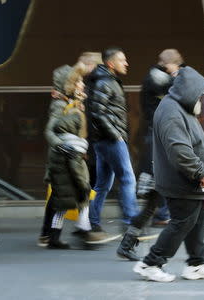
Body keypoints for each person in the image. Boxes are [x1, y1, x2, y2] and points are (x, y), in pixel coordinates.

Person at [133, 66, 204, 282]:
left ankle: (197, 263)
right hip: (184, 182)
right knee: (182, 223)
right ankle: (151, 263)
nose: (201, 99)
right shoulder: (171, 111)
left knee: (198, 221)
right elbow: (179, 149)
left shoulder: (182, 108)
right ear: (189, 91)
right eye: (199, 94)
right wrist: (199, 172)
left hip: (193, 183)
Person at [117, 49, 181, 261]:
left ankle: (127, 244)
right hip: (158, 163)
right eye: (175, 66)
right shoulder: (158, 80)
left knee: (151, 207)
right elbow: (179, 89)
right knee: (183, 206)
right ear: (167, 64)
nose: (177, 71)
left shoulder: (156, 84)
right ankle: (199, 252)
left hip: (155, 163)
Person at [39, 53, 102, 247]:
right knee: (73, 194)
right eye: (79, 82)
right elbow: (50, 131)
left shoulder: (70, 103)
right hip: (65, 158)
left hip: (70, 156)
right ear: (70, 84)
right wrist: (64, 145)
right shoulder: (60, 105)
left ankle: (56, 235)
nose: (82, 85)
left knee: (69, 195)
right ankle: (82, 231)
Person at [86, 47, 138, 232]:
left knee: (103, 184)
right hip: (111, 140)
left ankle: (93, 221)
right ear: (110, 63)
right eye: (122, 60)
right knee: (128, 179)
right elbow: (98, 113)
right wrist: (115, 134)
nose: (126, 63)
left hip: (103, 141)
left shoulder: (106, 81)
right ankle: (131, 221)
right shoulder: (105, 82)